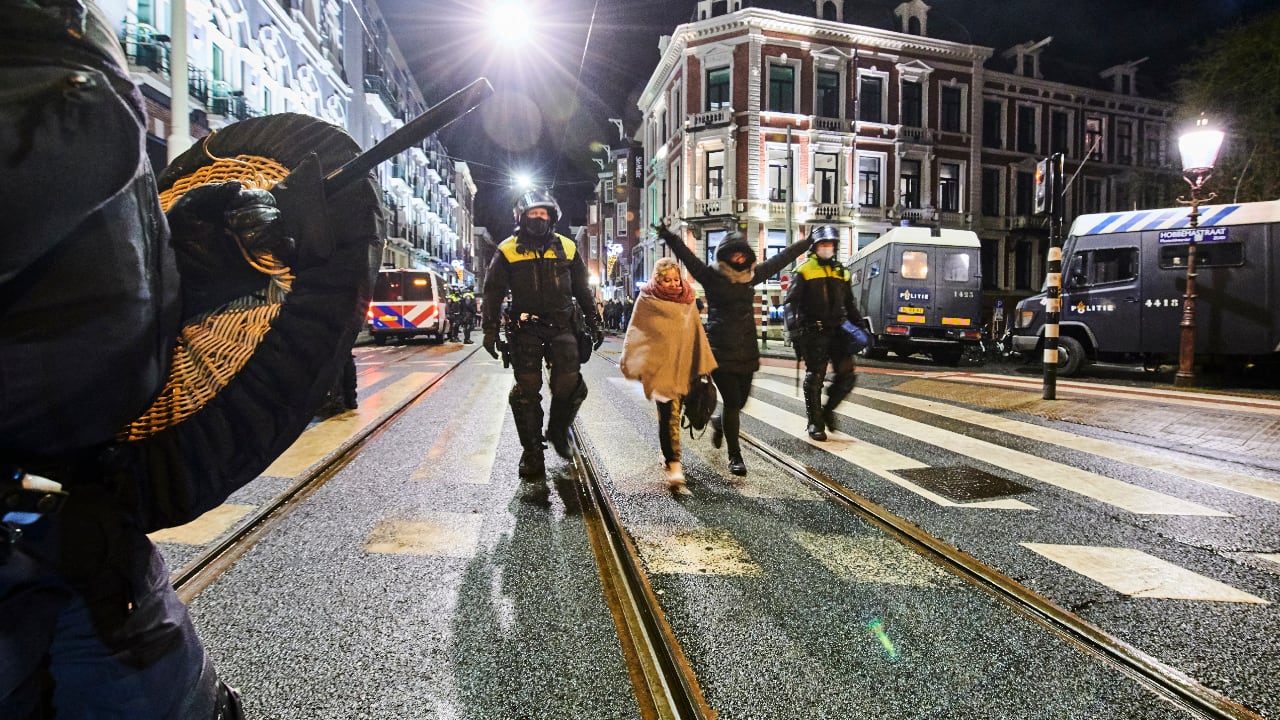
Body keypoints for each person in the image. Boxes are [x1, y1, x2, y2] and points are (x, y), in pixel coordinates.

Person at [1, 4, 377, 716]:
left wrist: (186, 256)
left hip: (84, 551)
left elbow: (82, 305)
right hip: (69, 558)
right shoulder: (64, 94)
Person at [655, 223, 812, 476]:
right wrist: (669, 236)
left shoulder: (751, 276)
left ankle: (719, 423)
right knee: (731, 403)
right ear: (724, 256)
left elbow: (780, 259)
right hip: (720, 350)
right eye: (733, 254)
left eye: (742, 254)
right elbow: (688, 257)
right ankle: (735, 456)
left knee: (739, 402)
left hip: (747, 352)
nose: (738, 258)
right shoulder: (711, 276)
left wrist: (805, 244)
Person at [482, 190, 604, 478]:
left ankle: (558, 430)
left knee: (570, 383)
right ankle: (532, 453)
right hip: (525, 329)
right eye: (533, 214)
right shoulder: (507, 249)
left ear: (552, 217)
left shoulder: (567, 247)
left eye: (544, 214)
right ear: (522, 217)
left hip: (563, 324)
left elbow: (582, 289)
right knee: (527, 390)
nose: (539, 219)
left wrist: (594, 320)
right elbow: (492, 293)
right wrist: (489, 331)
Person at [619, 259, 717, 494]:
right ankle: (674, 465)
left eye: (676, 279)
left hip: (685, 367)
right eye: (667, 280)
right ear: (657, 279)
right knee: (670, 416)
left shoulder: (688, 298)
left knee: (678, 414)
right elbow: (636, 331)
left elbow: (696, 332)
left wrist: (702, 363)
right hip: (661, 368)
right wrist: (636, 361)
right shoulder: (647, 300)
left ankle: (667, 454)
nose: (673, 284)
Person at [783, 225, 864, 441]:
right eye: (822, 244)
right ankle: (815, 422)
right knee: (815, 376)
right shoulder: (804, 270)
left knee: (847, 376)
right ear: (815, 247)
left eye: (830, 244)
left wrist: (861, 326)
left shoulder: (841, 271)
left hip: (839, 331)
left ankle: (827, 411)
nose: (826, 248)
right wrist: (794, 331)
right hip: (814, 331)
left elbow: (850, 303)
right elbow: (790, 303)